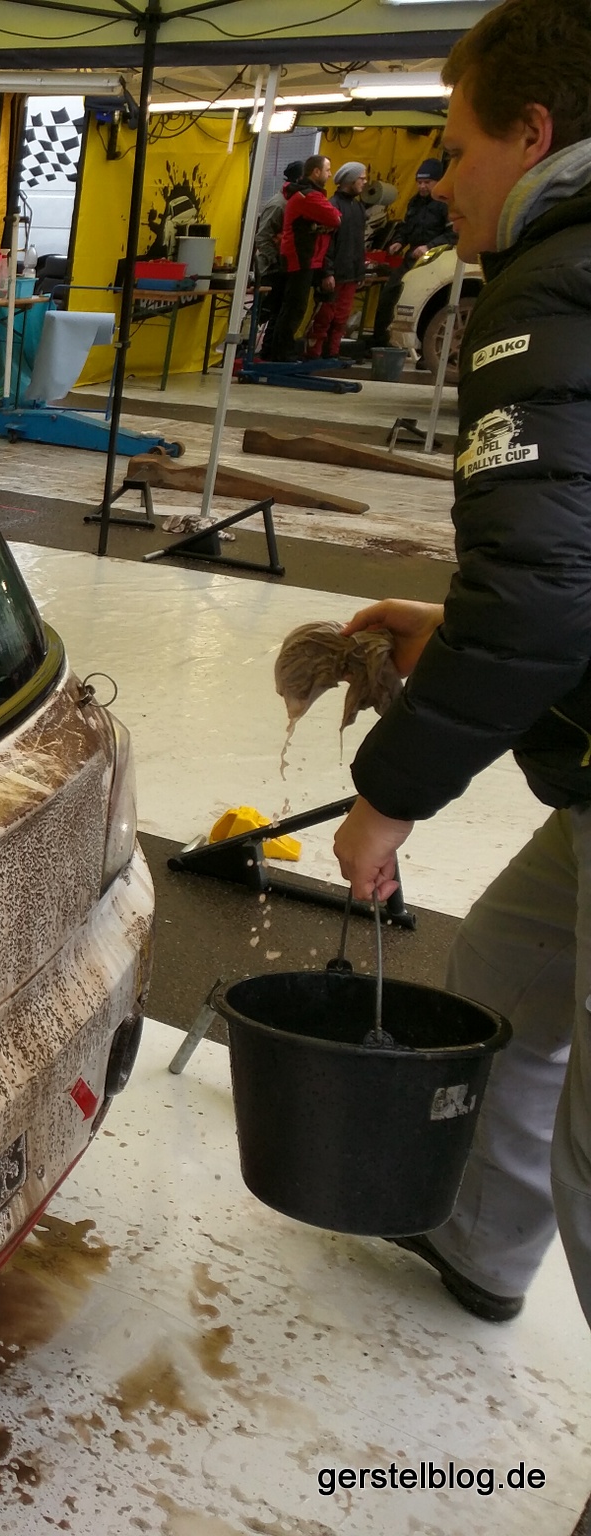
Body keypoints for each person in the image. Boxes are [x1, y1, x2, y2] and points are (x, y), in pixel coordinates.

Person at [330, 0, 591, 1400]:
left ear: (531, 134)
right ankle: (483, 1243)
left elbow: (545, 596)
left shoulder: (548, 286)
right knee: (508, 970)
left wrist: (387, 798)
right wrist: (453, 626)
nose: (438, 181)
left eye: (452, 148)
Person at [369, 157, 456, 347]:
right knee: (390, 293)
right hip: (412, 259)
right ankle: (380, 342)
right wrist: (399, 242)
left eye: (427, 182)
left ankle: (425, 346)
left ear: (437, 182)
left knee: (428, 301)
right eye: (419, 182)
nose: (422, 187)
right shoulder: (414, 203)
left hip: (438, 261)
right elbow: (406, 228)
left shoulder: (446, 203)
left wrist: (429, 246)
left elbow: (453, 234)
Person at [261, 155, 339, 361]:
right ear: (316, 172)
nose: (330, 174)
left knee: (289, 307)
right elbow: (335, 218)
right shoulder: (307, 196)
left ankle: (274, 350)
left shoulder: (306, 196)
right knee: (293, 308)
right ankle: (280, 353)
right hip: (299, 258)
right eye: (327, 170)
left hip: (303, 258)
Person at [304, 162, 369, 359]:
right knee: (324, 316)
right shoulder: (333, 206)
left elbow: (359, 243)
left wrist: (360, 272)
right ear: (350, 180)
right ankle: (314, 353)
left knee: (341, 318)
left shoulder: (358, 207)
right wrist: (327, 272)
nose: (365, 182)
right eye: (361, 178)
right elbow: (326, 244)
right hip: (335, 274)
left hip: (350, 274)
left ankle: (333, 353)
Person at [251, 160, 303, 357]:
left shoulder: (292, 202)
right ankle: (243, 349)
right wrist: (275, 261)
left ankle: (268, 350)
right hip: (270, 270)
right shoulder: (278, 205)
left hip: (282, 268)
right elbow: (262, 237)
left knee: (278, 311)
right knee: (263, 312)